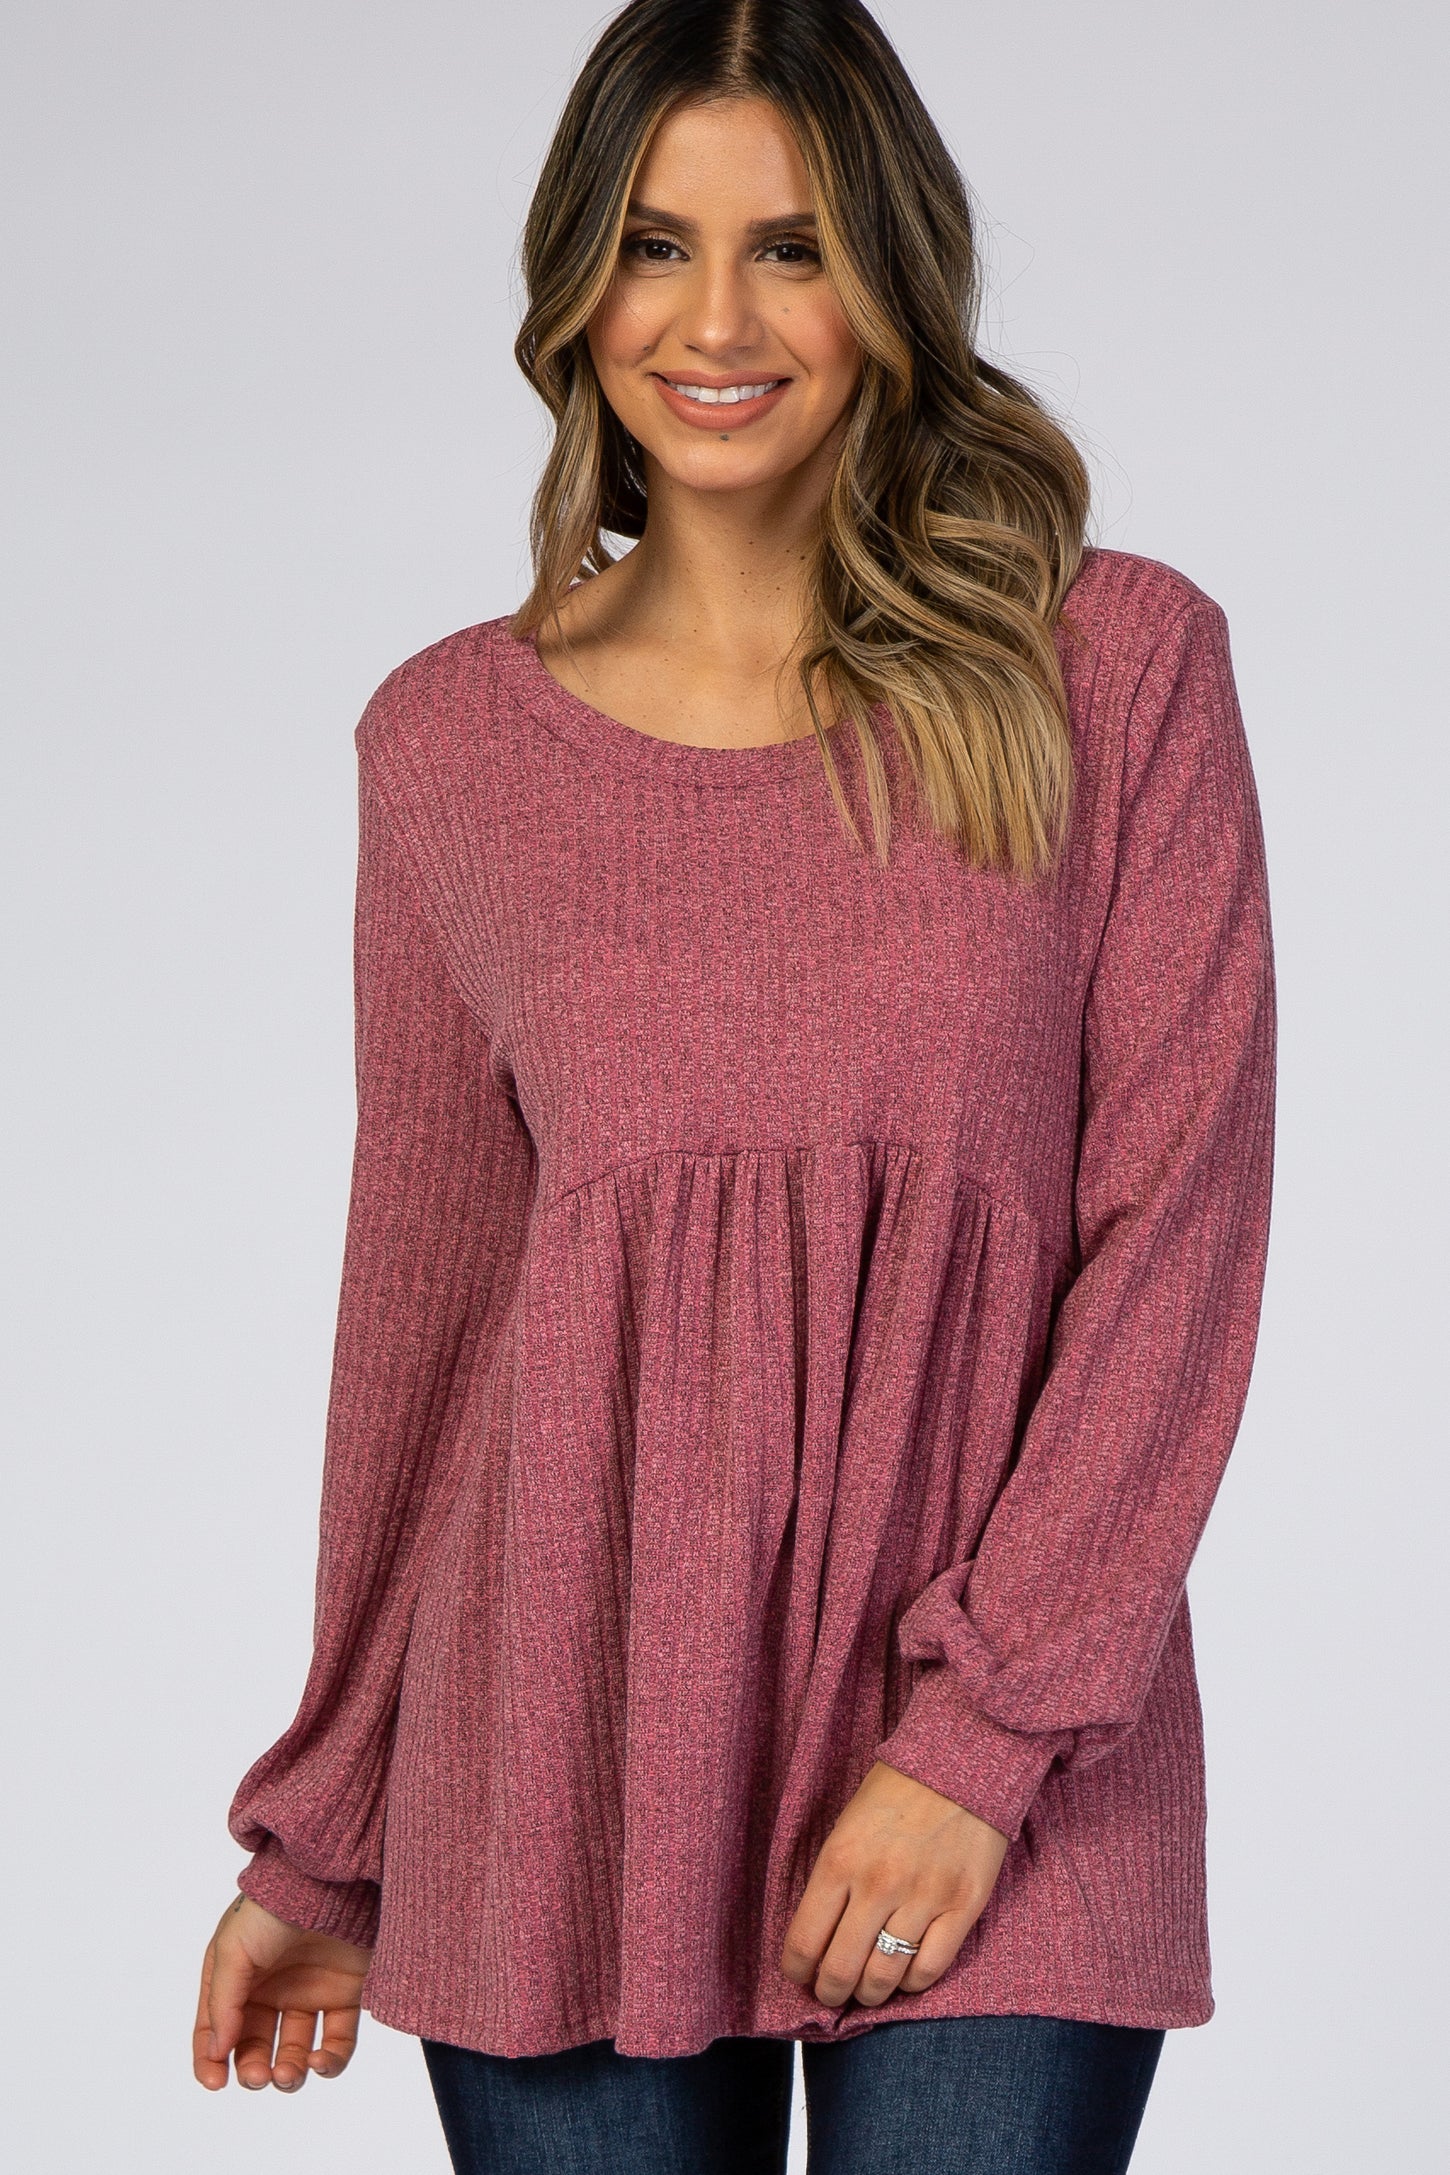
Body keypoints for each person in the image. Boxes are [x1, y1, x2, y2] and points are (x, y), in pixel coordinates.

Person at [190, 3, 1276, 2169]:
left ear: (892, 278)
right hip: (567, 1758)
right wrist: (324, 1837)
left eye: (790, 249)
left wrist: (979, 1743)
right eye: (652, 244)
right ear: (573, 280)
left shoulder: (1111, 667)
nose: (712, 322)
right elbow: (428, 1319)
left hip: (1017, 1760)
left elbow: (1176, 1227)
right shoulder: (449, 745)